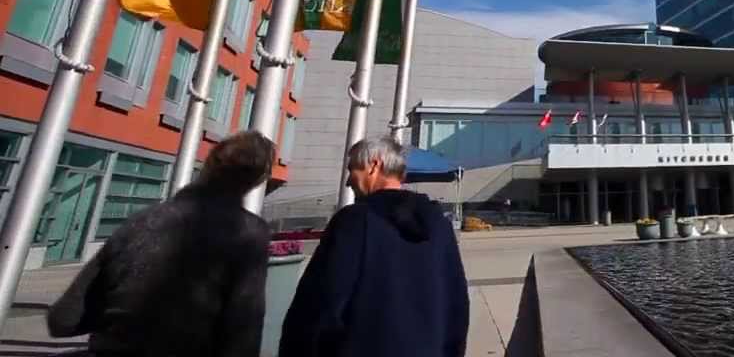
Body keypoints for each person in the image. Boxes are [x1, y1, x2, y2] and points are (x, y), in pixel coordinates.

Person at [47, 131, 275, 357]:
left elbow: (63, 319)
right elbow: (243, 329)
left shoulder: (142, 221)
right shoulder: (248, 232)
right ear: (257, 181)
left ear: (208, 162)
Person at [279, 136, 468, 357]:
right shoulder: (438, 224)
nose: (349, 181)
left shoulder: (354, 222)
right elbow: (457, 305)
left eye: (352, 170)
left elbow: (319, 305)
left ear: (374, 166)